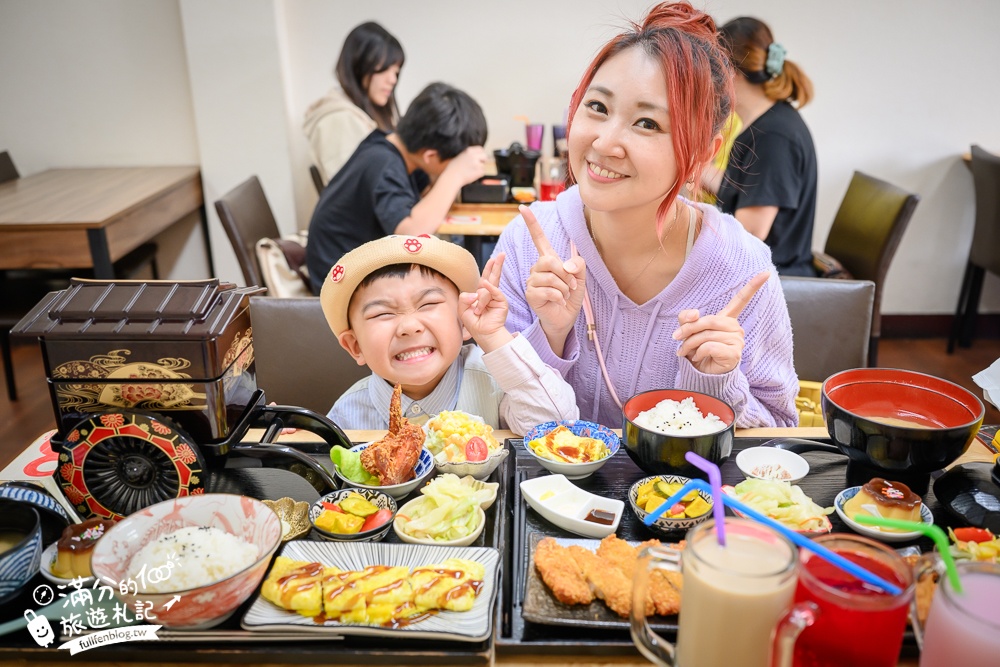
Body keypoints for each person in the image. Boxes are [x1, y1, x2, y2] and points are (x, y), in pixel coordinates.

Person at [493, 1, 799, 429]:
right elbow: (493, 417)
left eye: (647, 124)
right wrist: (551, 336)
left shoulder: (740, 270)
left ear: (702, 154)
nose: (605, 143)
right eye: (597, 107)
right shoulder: (529, 242)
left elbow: (780, 429)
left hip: (688, 478)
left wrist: (717, 383)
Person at [319, 234, 579, 431]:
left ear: (463, 320)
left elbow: (555, 426)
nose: (409, 326)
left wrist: (492, 336)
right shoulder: (346, 415)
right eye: (382, 314)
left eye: (428, 304)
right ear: (355, 346)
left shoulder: (498, 386)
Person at [305, 82, 488, 294]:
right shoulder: (384, 164)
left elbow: (425, 194)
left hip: (356, 269)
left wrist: (452, 170)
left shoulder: (390, 146)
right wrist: (454, 175)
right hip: (340, 284)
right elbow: (411, 232)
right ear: (430, 156)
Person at [708, 17, 818, 277]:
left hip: (773, 281)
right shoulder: (767, 124)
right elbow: (746, 191)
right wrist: (696, 170)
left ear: (729, 72)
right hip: (763, 272)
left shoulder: (774, 137)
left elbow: (751, 232)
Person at [304, 21, 404, 185]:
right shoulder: (338, 121)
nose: (393, 80)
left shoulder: (365, 115)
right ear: (359, 65)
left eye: (396, 72)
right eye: (385, 68)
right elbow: (356, 192)